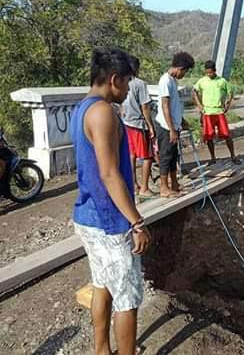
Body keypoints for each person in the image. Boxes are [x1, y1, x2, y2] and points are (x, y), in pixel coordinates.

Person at [70, 47, 151, 355]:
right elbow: (109, 173)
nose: (129, 89)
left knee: (102, 284)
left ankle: (102, 350)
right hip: (110, 222)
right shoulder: (103, 112)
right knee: (127, 299)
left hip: (88, 215)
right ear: (114, 79)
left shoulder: (82, 108)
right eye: (128, 81)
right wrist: (137, 222)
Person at [154, 51, 195, 198]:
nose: (184, 75)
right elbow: (165, 106)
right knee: (165, 156)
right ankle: (164, 188)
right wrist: (171, 129)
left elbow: (174, 105)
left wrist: (182, 121)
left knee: (173, 156)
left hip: (174, 125)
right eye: (185, 71)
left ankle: (174, 184)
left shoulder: (173, 80)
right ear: (180, 68)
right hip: (166, 127)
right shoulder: (165, 81)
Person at [193, 60, 241, 165]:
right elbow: (194, 92)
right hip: (207, 112)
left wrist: (227, 104)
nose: (209, 74)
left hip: (219, 111)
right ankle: (212, 158)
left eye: (210, 72)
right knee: (209, 136)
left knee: (226, 134)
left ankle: (233, 156)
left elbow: (230, 92)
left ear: (215, 71)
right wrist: (199, 106)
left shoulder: (222, 81)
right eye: (207, 72)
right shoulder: (202, 81)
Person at [121, 56, 155, 197]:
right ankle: (144, 188)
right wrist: (150, 126)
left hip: (126, 123)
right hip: (138, 124)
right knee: (147, 156)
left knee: (132, 155)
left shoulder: (122, 82)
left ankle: (134, 185)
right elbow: (145, 106)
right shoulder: (140, 84)